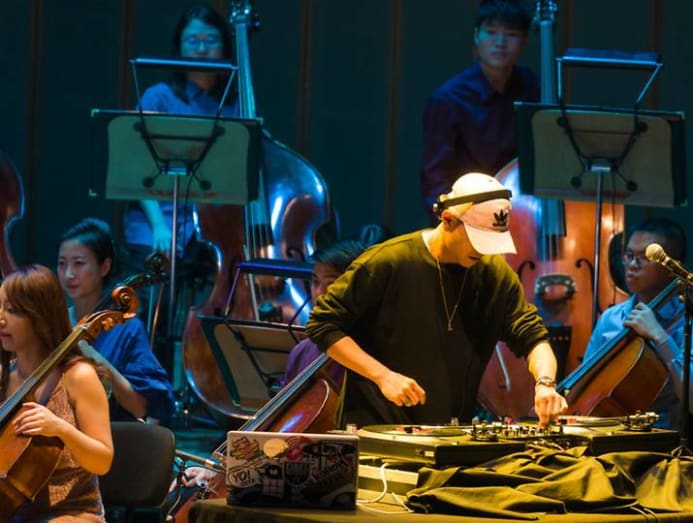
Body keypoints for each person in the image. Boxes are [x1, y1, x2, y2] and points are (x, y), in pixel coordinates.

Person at [306, 172, 567, 427]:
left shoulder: (495, 274)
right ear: (448, 219)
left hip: (448, 432)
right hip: (375, 428)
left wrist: (545, 384)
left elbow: (533, 338)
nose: (483, 251)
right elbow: (323, 324)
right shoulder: (389, 262)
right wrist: (383, 376)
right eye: (477, 239)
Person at [122, 5, 239, 367]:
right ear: (180, 47)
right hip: (157, 219)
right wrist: (160, 226)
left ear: (224, 46)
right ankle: (146, 376)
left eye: (210, 40)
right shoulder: (159, 96)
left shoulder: (234, 104)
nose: (202, 48)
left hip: (210, 227)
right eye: (193, 41)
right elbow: (134, 168)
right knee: (154, 283)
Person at [0, 265, 113, 521]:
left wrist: (60, 428)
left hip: (73, 514)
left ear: (40, 316)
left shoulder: (78, 376)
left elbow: (103, 461)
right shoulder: (4, 376)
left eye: (12, 310)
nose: (1, 319)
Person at [420, 0, 538, 220]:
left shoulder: (534, 88)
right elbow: (436, 180)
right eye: (491, 32)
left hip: (523, 215)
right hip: (466, 215)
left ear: (524, 41)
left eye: (511, 34)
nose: (500, 43)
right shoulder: (448, 100)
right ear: (476, 36)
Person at [57, 217, 176, 425]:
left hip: (109, 435)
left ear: (104, 267)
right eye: (62, 264)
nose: (68, 274)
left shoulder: (127, 328)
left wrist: (96, 359)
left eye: (79, 264)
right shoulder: (56, 323)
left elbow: (139, 407)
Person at [582, 217, 693, 430]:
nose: (632, 265)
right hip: (608, 431)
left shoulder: (687, 320)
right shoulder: (610, 318)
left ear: (671, 267)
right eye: (629, 256)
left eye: (644, 258)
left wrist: (660, 337)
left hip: (665, 439)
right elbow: (585, 385)